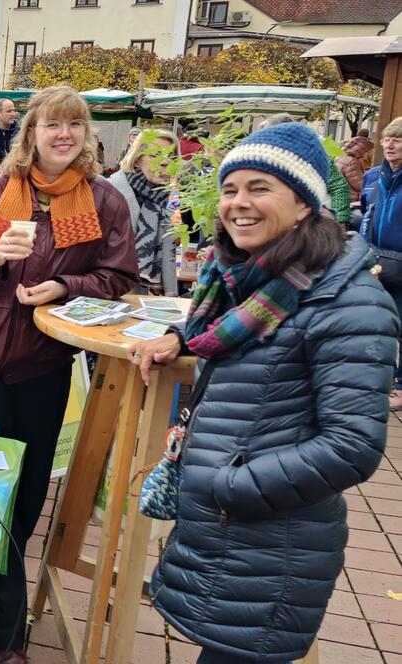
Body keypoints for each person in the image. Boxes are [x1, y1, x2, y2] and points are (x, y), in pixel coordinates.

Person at [132, 121, 397, 664]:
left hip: (269, 542)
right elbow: (244, 343)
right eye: (230, 190)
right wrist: (177, 337)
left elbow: (352, 446)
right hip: (234, 539)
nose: (238, 204)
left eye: (260, 188)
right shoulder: (252, 282)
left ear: (304, 205)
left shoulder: (347, 301)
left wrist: (230, 485)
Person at [0, 86, 138, 664]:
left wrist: (65, 288)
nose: (63, 134)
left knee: (25, 503)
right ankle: (2, 641)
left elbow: (118, 277)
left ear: (86, 135)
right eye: (52, 125)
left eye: (74, 125)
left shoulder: (102, 202)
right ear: (32, 133)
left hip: (45, 369)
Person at [360, 116, 402, 409]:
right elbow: (365, 213)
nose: (389, 145)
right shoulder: (373, 176)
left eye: (398, 140)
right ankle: (376, 379)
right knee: (375, 322)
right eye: (387, 139)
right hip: (376, 261)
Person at [108, 128, 180, 295]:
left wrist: (171, 297)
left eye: (170, 157)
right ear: (137, 159)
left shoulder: (167, 198)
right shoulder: (110, 191)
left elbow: (168, 254)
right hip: (112, 296)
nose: (164, 162)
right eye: (155, 155)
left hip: (151, 300)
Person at [260, 113, 351, 226]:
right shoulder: (268, 158)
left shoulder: (313, 155)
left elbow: (339, 187)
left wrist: (339, 222)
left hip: (316, 222)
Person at [338, 134, 374, 202]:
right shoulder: (352, 161)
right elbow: (359, 184)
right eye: (369, 151)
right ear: (363, 150)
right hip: (349, 199)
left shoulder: (340, 158)